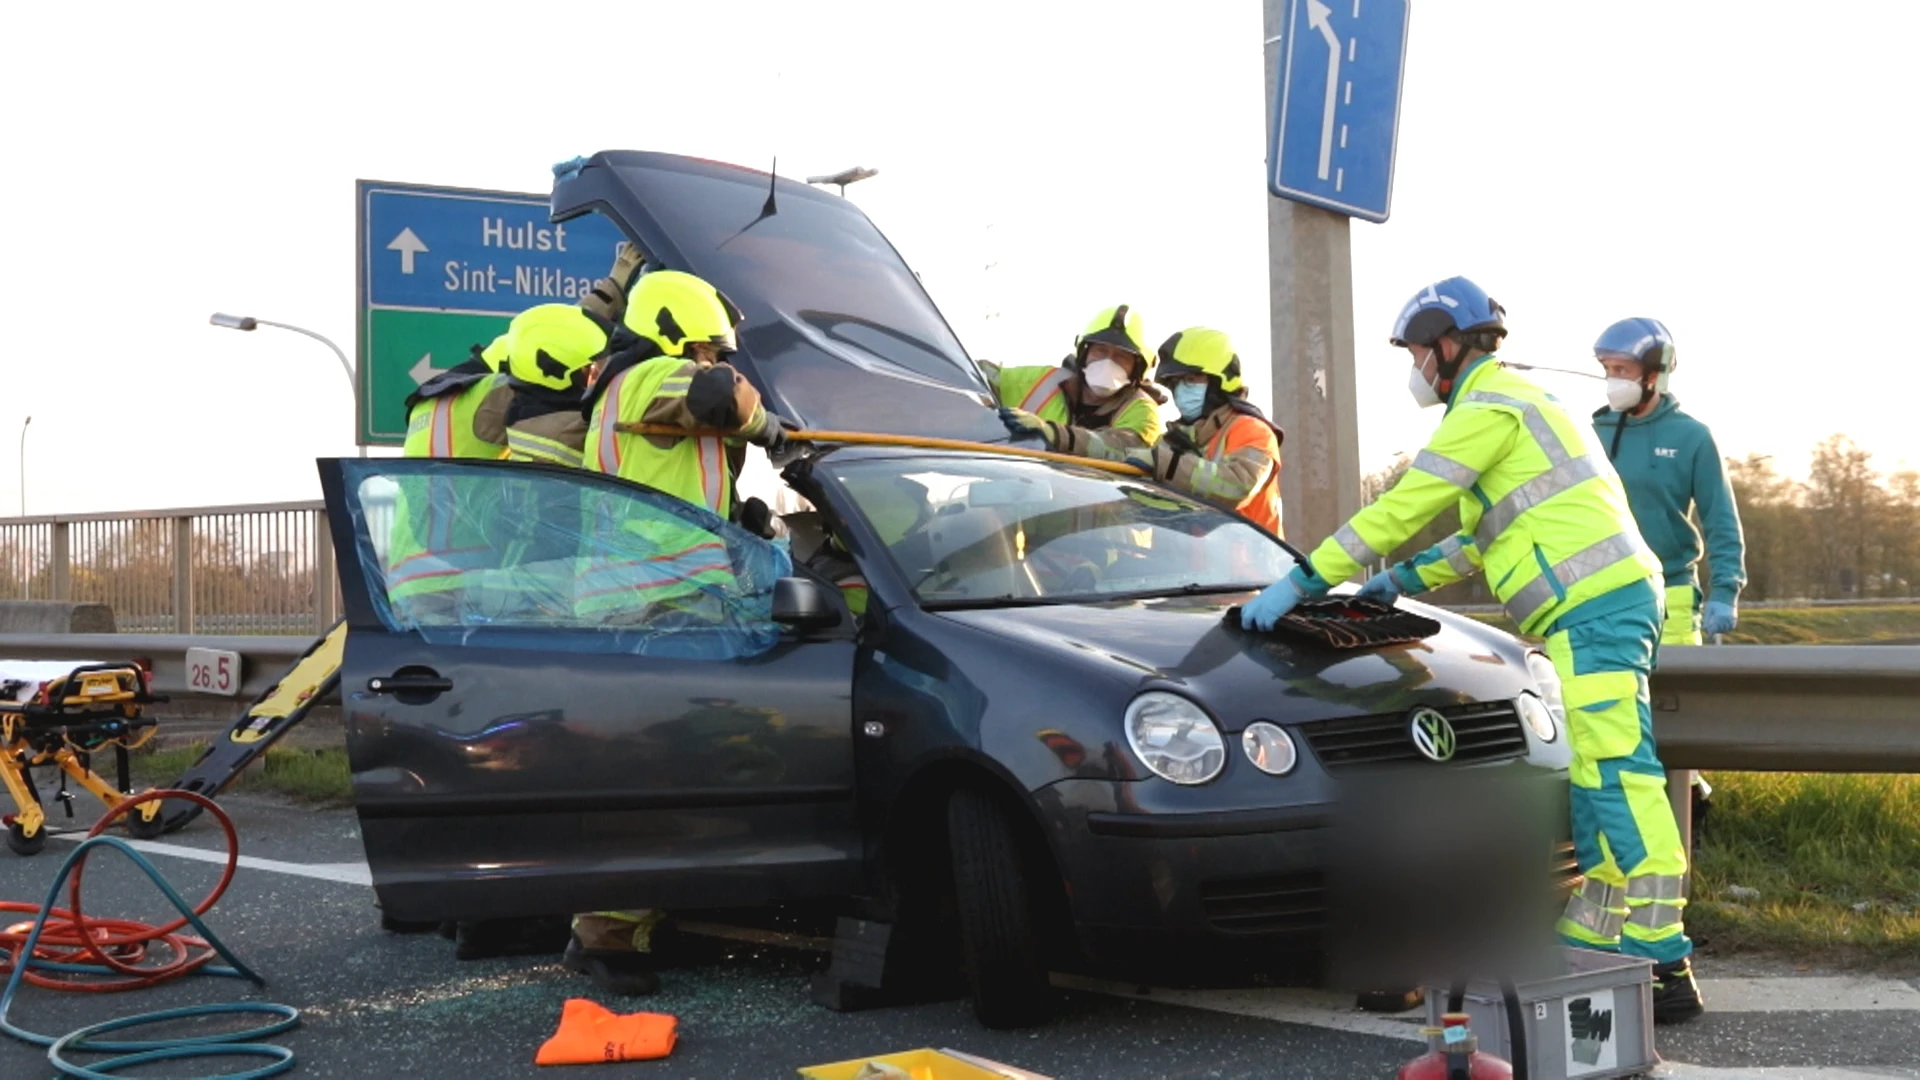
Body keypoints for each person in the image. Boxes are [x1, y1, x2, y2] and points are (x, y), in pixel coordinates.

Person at [1239, 277, 1704, 1023]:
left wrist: (1302, 580)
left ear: (1448, 346)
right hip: (1602, 605)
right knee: (1595, 770)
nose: (1417, 367)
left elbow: (1403, 506)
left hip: (1596, 611)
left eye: (1421, 351)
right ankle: (1597, 930)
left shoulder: (1487, 408)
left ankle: (1664, 957)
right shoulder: (1521, 406)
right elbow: (1480, 538)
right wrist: (1399, 580)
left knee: (1617, 768)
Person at [566, 268, 792, 996]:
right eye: (705, 347)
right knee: (652, 776)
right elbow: (721, 400)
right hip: (650, 608)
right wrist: (770, 426)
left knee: (669, 772)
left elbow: (677, 488)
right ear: (672, 333)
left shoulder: (623, 390)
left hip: (656, 605)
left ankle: (636, 924)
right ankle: (604, 938)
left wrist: (738, 524)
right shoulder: (646, 376)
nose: (713, 360)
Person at [1591, 317, 1744, 837]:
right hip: (1607, 599)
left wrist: (1725, 590)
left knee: (1673, 723)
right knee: (1619, 727)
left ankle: (1693, 808)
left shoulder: (1691, 437)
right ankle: (1633, 833)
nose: (1612, 379)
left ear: (1654, 375)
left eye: (1622, 369)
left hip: (1673, 596)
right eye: (1607, 369)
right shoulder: (1591, 434)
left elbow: (1722, 520)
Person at [1125, 327, 1284, 536]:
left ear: (1221, 381)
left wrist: (1165, 464)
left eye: (1191, 379)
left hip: (1249, 567)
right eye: (1175, 382)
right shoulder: (1172, 441)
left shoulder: (1253, 431)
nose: (1181, 390)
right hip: (1181, 567)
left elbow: (1236, 486)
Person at [988, 305, 1165, 461]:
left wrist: (1053, 433)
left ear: (1137, 368)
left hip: (1095, 497)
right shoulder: (1042, 381)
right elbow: (978, 375)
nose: (1107, 362)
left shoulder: (1143, 412)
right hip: (1017, 487)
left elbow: (1118, 448)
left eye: (1121, 357)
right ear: (1083, 353)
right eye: (1100, 350)